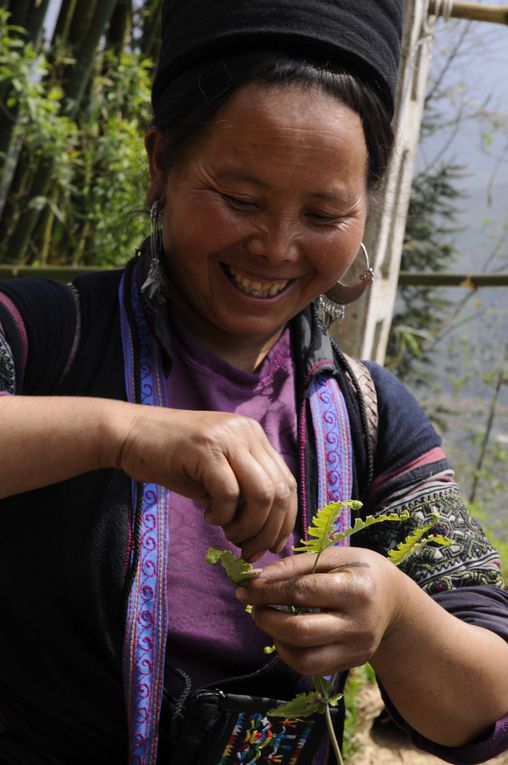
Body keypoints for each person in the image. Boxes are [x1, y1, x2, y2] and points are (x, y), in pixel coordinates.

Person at [0, 1, 507, 764]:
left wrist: (399, 617)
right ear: (159, 163)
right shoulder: (46, 335)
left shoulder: (370, 417)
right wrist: (123, 433)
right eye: (240, 200)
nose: (275, 246)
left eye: (325, 211)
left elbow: (486, 698)